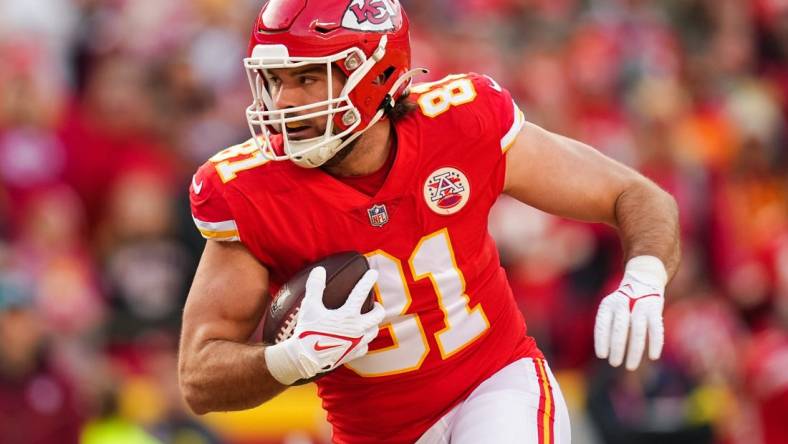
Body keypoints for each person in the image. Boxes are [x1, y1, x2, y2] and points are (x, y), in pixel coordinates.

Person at [177, 1, 680, 443]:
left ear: (375, 73)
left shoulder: (462, 124)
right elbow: (199, 376)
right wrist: (289, 359)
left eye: (307, 78)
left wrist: (644, 277)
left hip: (494, 387)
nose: (283, 102)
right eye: (275, 80)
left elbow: (634, 193)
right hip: (369, 433)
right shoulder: (250, 191)